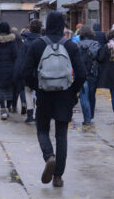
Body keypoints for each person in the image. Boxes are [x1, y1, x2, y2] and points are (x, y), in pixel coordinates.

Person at [17, 11, 86, 187]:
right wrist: (72, 92)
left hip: (44, 95)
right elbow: (82, 74)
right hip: (64, 95)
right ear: (62, 25)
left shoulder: (38, 45)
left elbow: (25, 72)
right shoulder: (70, 46)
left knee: (42, 130)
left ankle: (49, 156)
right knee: (61, 135)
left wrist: (37, 86)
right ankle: (57, 177)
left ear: (47, 25)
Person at [16, 19, 43, 123]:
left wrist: (21, 72)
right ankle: (37, 114)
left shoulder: (26, 42)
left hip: (29, 72)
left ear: (30, 28)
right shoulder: (43, 41)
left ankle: (30, 113)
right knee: (39, 92)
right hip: (41, 72)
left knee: (27, 91)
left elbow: (22, 58)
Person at [75, 25, 101, 125]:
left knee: (83, 96)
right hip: (93, 72)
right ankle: (91, 114)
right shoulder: (95, 44)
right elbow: (98, 57)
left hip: (81, 73)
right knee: (92, 94)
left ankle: (87, 118)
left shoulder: (77, 44)